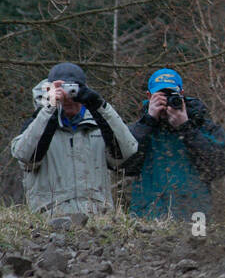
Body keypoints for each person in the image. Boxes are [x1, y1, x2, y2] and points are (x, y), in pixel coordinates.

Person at [10, 62, 139, 215]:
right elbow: (25, 155)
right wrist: (49, 107)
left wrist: (99, 105)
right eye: (62, 90)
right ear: (49, 91)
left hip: (98, 219)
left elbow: (127, 151)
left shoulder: (100, 125)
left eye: (73, 91)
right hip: (50, 220)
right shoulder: (37, 126)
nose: (68, 98)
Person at [123, 68, 225, 220]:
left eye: (171, 95)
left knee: (198, 243)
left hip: (195, 217)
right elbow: (123, 165)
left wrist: (186, 128)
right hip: (148, 216)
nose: (167, 101)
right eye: (161, 96)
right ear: (149, 96)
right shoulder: (138, 130)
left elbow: (219, 166)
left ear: (182, 94)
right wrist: (148, 121)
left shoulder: (203, 127)